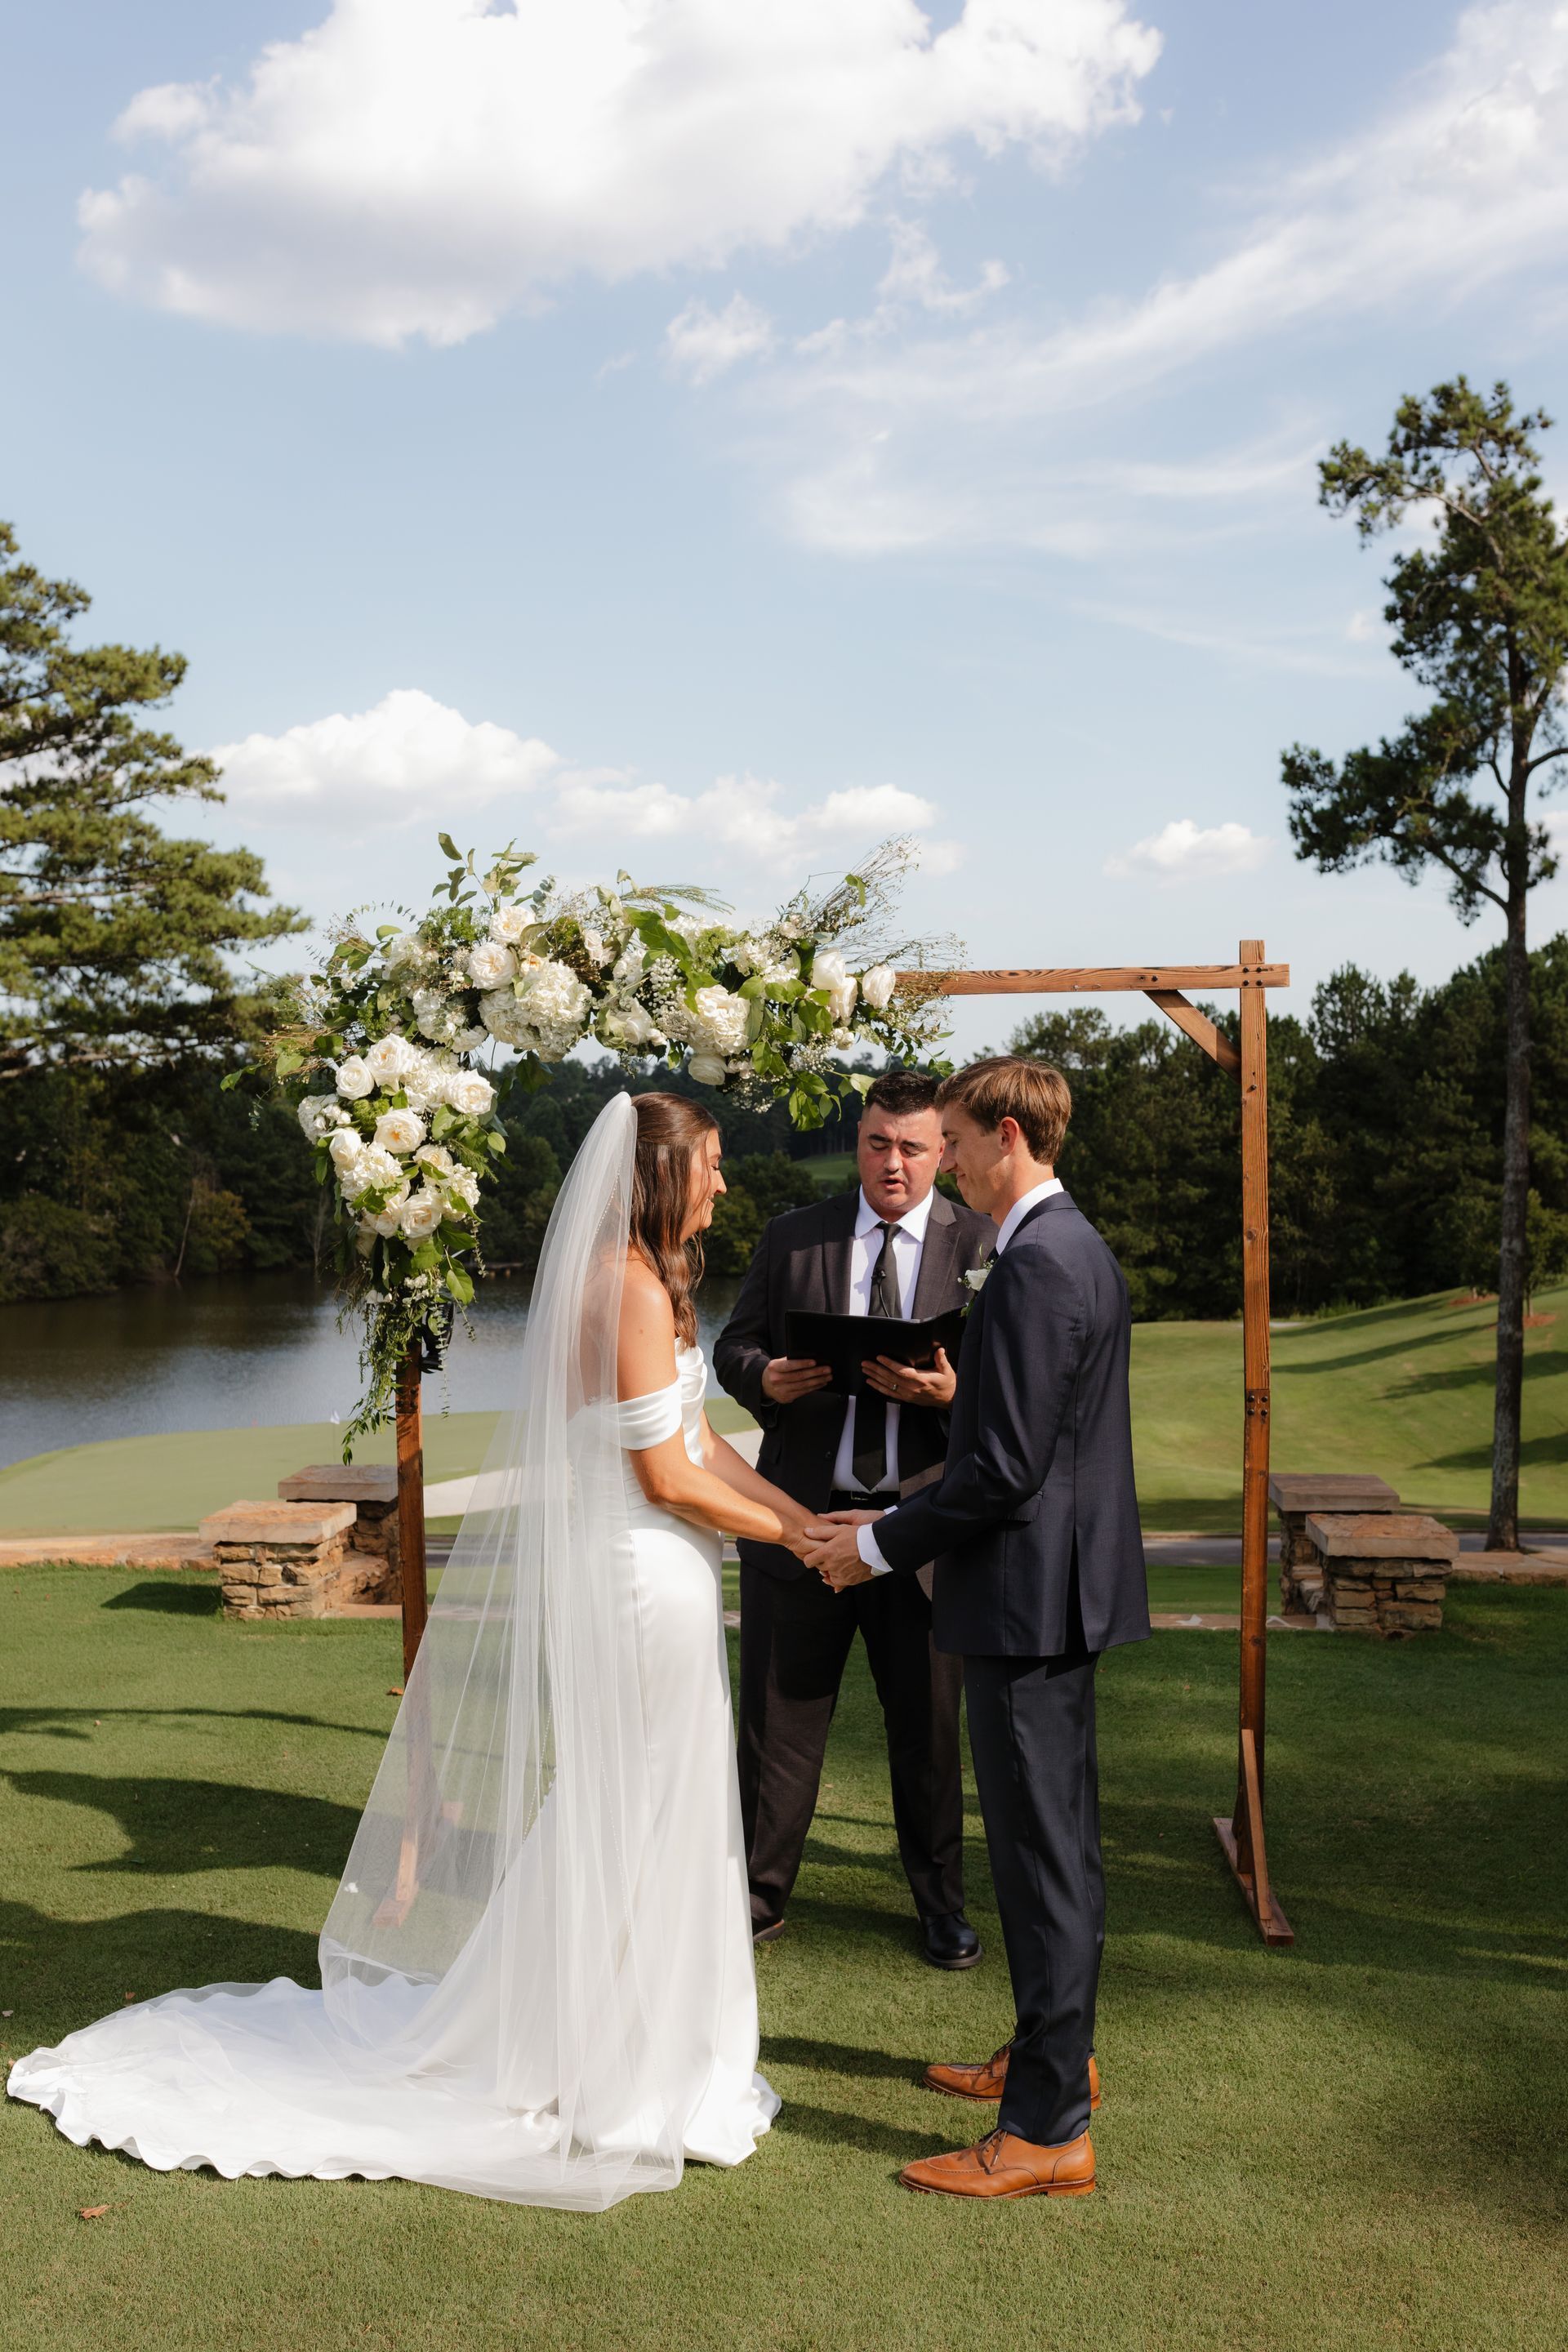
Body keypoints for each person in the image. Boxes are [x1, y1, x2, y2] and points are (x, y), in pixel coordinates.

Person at [10, 1092, 821, 2211]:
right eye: (714, 1166)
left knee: (659, 1809)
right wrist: (801, 1540)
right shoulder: (623, 1290)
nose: (725, 1185)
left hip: (671, 1578)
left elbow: (704, 1443)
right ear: (658, 1179)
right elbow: (666, 1479)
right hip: (636, 1580)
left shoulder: (659, 1285)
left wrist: (805, 1518)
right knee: (631, 1809)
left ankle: (649, 2046)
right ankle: (603, 2065)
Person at [804, 1057, 1150, 2201]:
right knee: (1057, 1845)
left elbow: (1004, 1473)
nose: (939, 1159)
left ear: (1008, 1135)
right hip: (1043, 1590)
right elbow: (1016, 1450)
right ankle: (1053, 2055)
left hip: (1028, 1597)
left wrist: (872, 1548)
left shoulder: (1044, 1264)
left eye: (950, 1138)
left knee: (1044, 1856)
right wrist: (898, 1510)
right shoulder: (1060, 1249)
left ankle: (1047, 2130)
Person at [714, 1071, 993, 1967]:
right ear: (860, 1142)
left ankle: (940, 1905)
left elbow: (1013, 1400)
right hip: (801, 1526)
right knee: (777, 1727)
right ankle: (757, 1900)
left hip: (919, 1537)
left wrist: (955, 1393)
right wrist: (766, 1378)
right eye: (878, 1144)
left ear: (944, 1152)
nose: (893, 1164)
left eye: (914, 1147)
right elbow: (733, 1346)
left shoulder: (985, 1242)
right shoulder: (795, 1236)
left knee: (929, 1734)